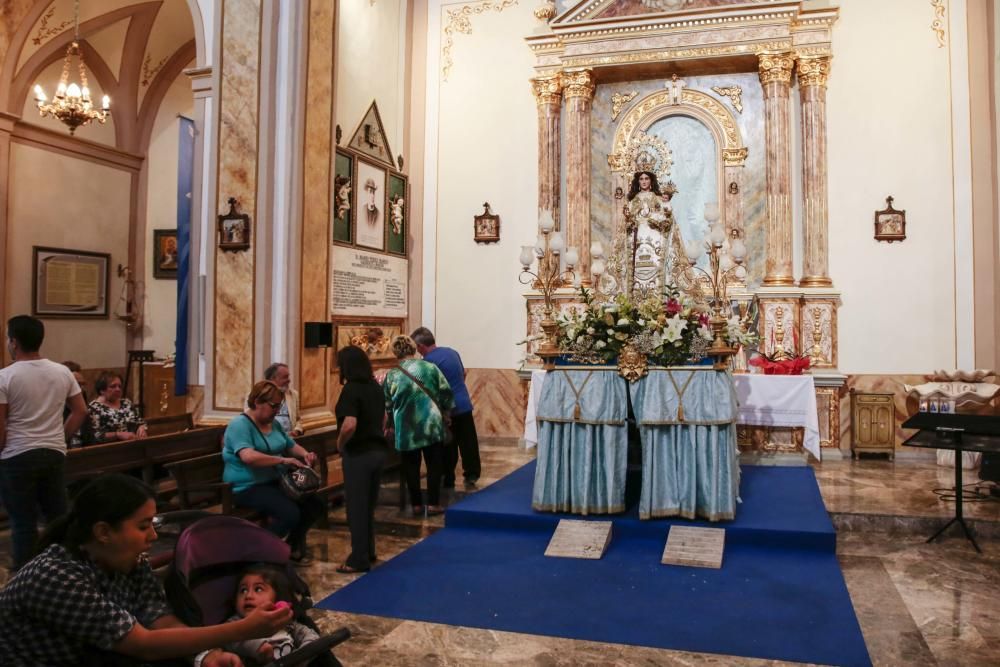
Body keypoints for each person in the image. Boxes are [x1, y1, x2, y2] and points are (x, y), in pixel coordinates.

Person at [0, 473, 291, 667]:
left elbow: (158, 618)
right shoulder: (57, 575)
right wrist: (243, 628)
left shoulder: (127, 559)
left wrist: (205, 655)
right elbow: (143, 644)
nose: (153, 536)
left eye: (153, 524)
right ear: (103, 532)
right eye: (143, 526)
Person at [0, 315, 87, 570]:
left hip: (17, 455)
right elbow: (80, 410)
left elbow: (1, 425)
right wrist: (60, 436)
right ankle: (64, 570)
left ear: (14, 342)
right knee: (57, 518)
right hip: (53, 453)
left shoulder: (5, 377)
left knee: (23, 523)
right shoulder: (62, 371)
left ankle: (26, 578)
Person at [223, 380, 323, 563]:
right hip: (246, 487)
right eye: (273, 406)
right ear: (257, 402)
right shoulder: (239, 425)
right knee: (290, 513)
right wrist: (283, 460)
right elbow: (248, 457)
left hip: (272, 481)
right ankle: (255, 552)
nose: (277, 410)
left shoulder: (273, 424)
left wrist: (305, 454)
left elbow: (289, 444)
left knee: (315, 505)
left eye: (279, 406)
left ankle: (291, 545)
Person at [383, 335, 454, 516]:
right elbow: (446, 393)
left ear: (395, 352)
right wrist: (446, 412)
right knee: (434, 465)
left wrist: (390, 423)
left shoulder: (392, 375)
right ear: (414, 349)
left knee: (411, 467)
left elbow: (388, 404)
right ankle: (433, 504)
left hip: (406, 428)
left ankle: (415, 504)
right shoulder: (430, 368)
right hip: (430, 424)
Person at [195, 563, 319, 665]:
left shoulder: (287, 623)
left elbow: (311, 636)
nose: (248, 596)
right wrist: (258, 647)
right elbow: (231, 640)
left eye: (258, 589)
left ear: (278, 597)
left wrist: (301, 656)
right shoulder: (235, 623)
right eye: (243, 590)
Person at [334, 345, 388, 573]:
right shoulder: (375, 387)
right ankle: (369, 550)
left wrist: (340, 444)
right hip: (377, 451)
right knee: (368, 505)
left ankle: (358, 558)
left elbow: (350, 424)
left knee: (356, 508)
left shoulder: (351, 390)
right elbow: (384, 418)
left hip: (359, 454)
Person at [411, 327, 481, 489]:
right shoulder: (452, 352)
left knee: (448, 444)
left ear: (421, 346)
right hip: (463, 403)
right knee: (468, 442)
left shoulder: (427, 362)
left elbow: (430, 388)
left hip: (446, 408)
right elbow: (463, 373)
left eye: (417, 347)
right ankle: (472, 474)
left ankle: (447, 477)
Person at [88, 371, 148, 443]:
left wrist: (142, 427)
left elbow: (140, 421)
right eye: (113, 386)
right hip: (109, 449)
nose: (118, 389)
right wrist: (117, 435)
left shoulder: (126, 403)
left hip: (133, 444)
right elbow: (95, 436)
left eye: (119, 386)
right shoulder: (94, 408)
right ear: (102, 390)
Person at [264, 362, 304, 437]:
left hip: (291, 439)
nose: (289, 380)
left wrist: (297, 430)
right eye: (285, 377)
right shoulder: (258, 396)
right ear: (273, 379)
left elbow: (298, 419)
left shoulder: (293, 394)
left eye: (288, 377)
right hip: (270, 439)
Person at [61, 360, 93, 447]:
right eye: (76, 385)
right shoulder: (56, 409)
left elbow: (89, 437)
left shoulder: (82, 403)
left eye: (82, 385)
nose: (81, 390)